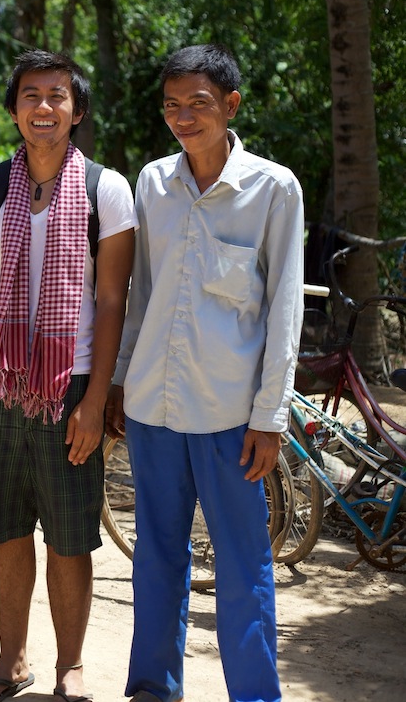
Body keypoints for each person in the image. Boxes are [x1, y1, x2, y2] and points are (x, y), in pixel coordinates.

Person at [106, 44, 302, 702]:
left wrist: (269, 416)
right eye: (171, 105)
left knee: (244, 563)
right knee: (156, 555)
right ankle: (151, 686)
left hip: (228, 416)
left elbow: (283, 310)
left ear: (230, 105)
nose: (182, 117)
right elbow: (142, 292)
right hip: (150, 408)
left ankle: (254, 693)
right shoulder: (152, 182)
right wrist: (117, 381)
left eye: (197, 103)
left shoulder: (272, 189)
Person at [0, 49, 136, 702]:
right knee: (3, 526)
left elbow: (111, 300)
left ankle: (70, 665)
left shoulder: (107, 189)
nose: (43, 106)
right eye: (30, 94)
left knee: (69, 532)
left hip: (69, 386)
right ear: (15, 109)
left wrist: (95, 397)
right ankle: (9, 657)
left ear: (76, 111)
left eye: (57, 95)